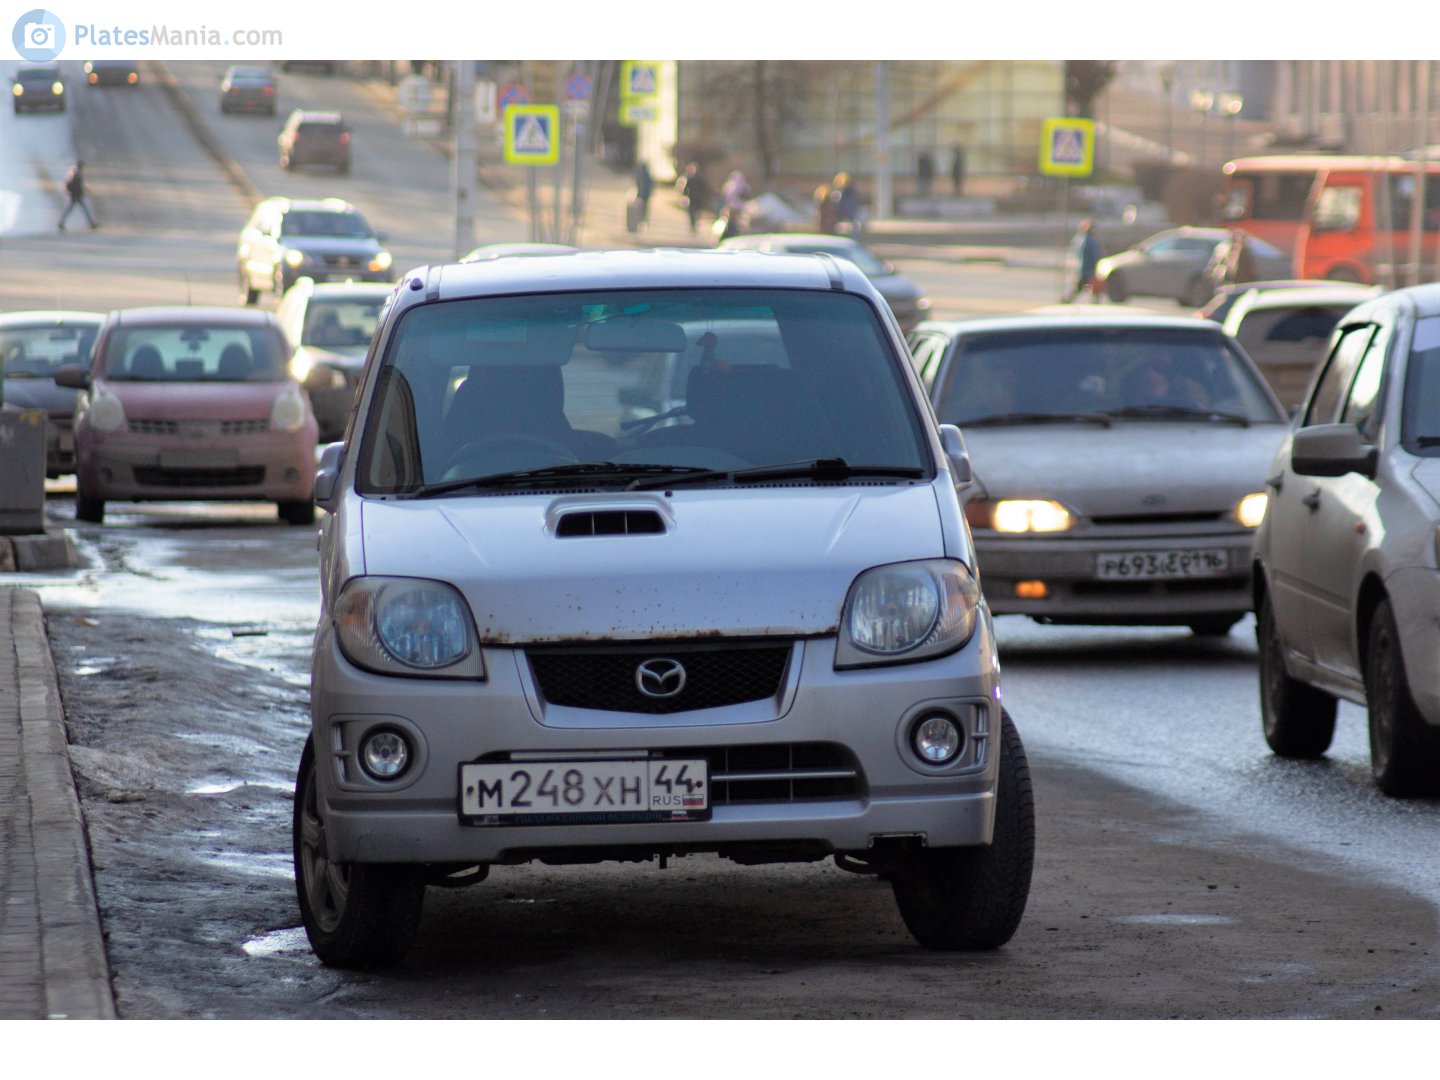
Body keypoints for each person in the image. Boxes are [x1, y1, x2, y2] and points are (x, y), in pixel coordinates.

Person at [58, 160, 97, 231]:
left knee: (70, 210)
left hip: (74, 195)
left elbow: (79, 185)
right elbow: (79, 185)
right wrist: (86, 191)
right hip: (77, 196)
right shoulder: (77, 174)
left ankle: (61, 223)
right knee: (85, 210)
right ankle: (92, 224)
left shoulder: (73, 173)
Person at [1069, 218, 1101, 302]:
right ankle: (1066, 301)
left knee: (1085, 288)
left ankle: (1067, 301)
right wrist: (1094, 269)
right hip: (1087, 270)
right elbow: (1093, 256)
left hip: (1084, 269)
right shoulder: (1088, 240)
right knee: (1084, 287)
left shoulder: (1080, 239)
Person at [678, 163, 712, 234]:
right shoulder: (690, 178)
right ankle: (693, 224)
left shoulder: (698, 179)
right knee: (692, 213)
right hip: (692, 198)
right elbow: (686, 188)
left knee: (694, 213)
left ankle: (694, 224)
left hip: (696, 199)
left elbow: (704, 188)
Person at [718, 169, 750, 242]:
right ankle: (731, 234)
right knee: (734, 222)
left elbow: (724, 196)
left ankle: (729, 235)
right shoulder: (743, 185)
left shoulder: (729, 185)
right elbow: (746, 196)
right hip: (738, 207)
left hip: (731, 207)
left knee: (731, 222)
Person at [633, 160, 654, 224]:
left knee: (641, 207)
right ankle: (643, 219)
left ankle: (641, 218)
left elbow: (638, 183)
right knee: (645, 207)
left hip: (642, 194)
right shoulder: (647, 174)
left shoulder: (641, 174)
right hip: (646, 194)